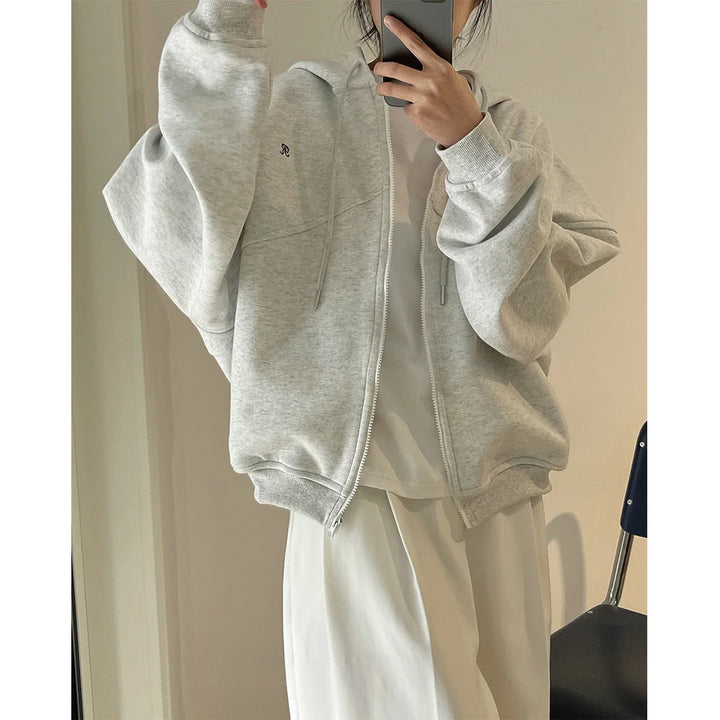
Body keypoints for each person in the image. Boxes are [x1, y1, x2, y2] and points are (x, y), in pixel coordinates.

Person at [101, 1, 621, 717]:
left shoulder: (511, 133)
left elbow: (518, 321)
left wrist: (472, 146)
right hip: (356, 498)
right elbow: (179, 232)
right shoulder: (296, 111)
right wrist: (225, 22)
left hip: (496, 496)